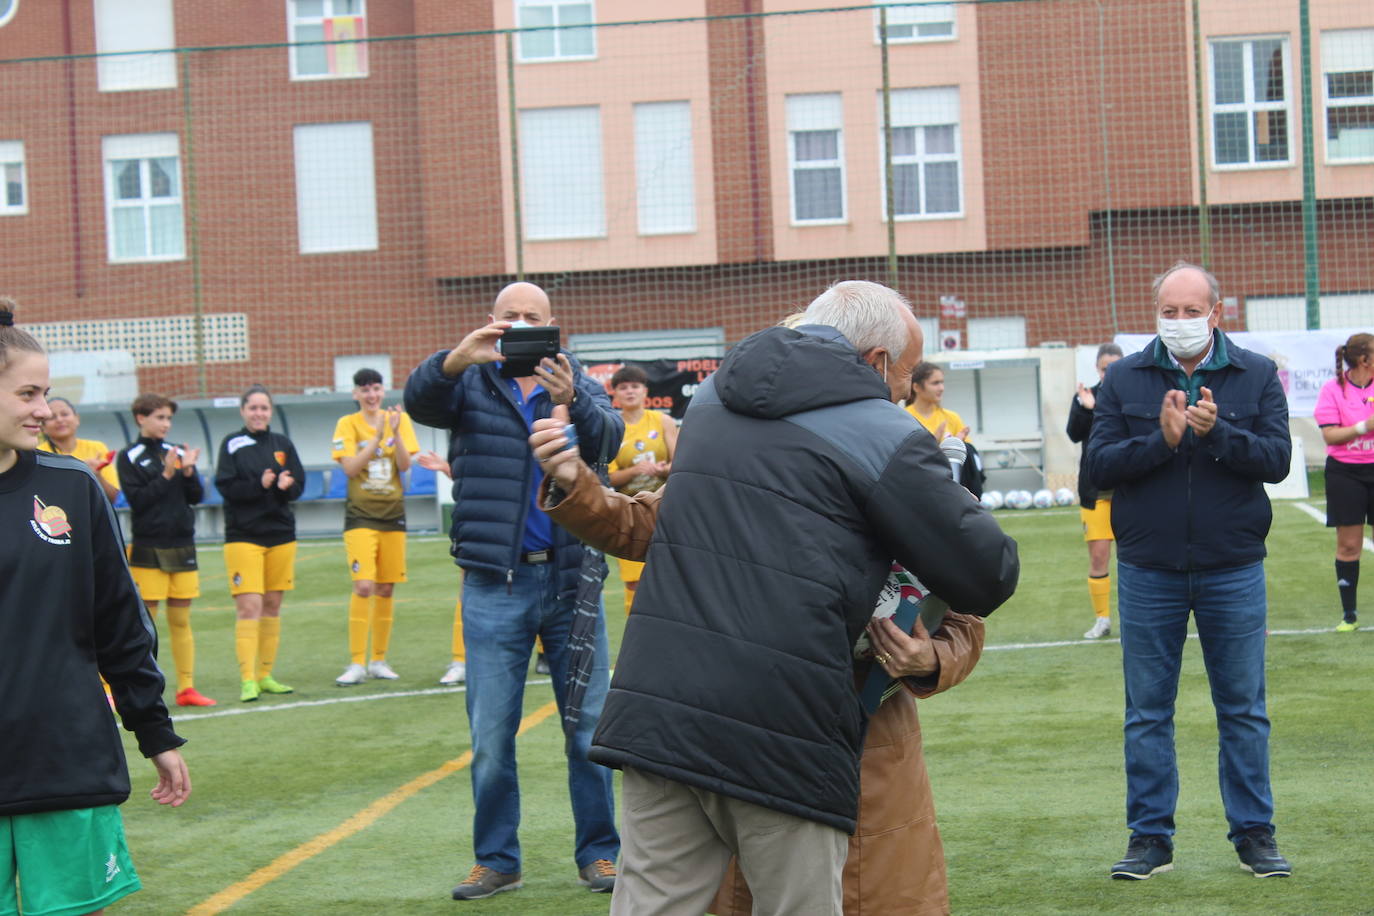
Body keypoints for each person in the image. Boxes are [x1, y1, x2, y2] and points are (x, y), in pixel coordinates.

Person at [532, 280, 1019, 915]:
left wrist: (932, 659)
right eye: (902, 377)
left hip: (670, 714)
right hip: (791, 726)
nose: (904, 391)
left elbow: (956, 606)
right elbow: (989, 572)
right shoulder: (881, 436)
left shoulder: (711, 402)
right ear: (871, 364)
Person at [403, 281, 623, 901]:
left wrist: (571, 398)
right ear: (491, 322)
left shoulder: (578, 379)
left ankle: (601, 855)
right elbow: (419, 401)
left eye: (532, 317)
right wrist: (457, 356)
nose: (519, 325)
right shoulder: (469, 378)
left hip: (572, 577)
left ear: (554, 327)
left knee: (588, 729)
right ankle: (498, 859)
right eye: (509, 317)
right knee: (491, 737)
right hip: (494, 582)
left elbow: (610, 441)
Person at [1088, 261, 1293, 880]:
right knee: (1147, 710)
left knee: (1244, 709)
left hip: (1233, 567)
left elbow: (1278, 461)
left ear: (1217, 311)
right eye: (1168, 311)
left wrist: (1218, 432)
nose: (1179, 322)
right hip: (1149, 569)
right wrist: (1164, 439)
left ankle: (1255, 834)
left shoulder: (1256, 375)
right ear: (1156, 314)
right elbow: (1098, 467)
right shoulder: (1124, 377)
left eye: (1190, 310)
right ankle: (1150, 838)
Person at [0, 299, 191, 916]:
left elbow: (119, 622)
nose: (44, 410)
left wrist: (154, 730)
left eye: (47, 393)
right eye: (28, 393)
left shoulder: (72, 486)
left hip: (65, 756)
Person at [116, 393, 215, 707]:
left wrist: (188, 471)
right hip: (149, 546)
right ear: (140, 418)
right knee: (147, 623)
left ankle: (186, 688)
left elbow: (196, 496)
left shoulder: (176, 452)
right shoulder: (129, 456)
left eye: (168, 418)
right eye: (159, 417)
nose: (165, 424)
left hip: (182, 545)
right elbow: (139, 500)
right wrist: (168, 473)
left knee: (182, 621)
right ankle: (143, 687)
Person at [331, 368, 421, 686]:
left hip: (393, 517)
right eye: (365, 390)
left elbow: (405, 465)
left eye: (376, 389)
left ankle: (379, 660)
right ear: (356, 394)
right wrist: (376, 435)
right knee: (364, 586)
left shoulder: (401, 420)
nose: (371, 395)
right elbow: (351, 468)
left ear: (384, 391)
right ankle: (356, 662)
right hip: (360, 517)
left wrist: (393, 432)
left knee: (386, 588)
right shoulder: (347, 424)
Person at [215, 384, 305, 703]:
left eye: (264, 408)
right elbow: (226, 487)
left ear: (271, 411)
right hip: (244, 536)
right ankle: (247, 679)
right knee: (249, 606)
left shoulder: (282, 443)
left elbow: (298, 486)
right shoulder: (232, 444)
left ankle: (266, 674)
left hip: (281, 535)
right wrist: (260, 483)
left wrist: (283, 486)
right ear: (243, 411)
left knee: (272, 605)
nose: (258, 413)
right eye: (253, 408)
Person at [1313, 332, 1374, 633]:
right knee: (1349, 545)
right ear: (1364, 359)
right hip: (1345, 472)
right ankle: (1349, 615)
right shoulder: (1332, 389)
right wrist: (1365, 426)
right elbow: (1330, 435)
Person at [606, 364, 677, 614]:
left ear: (645, 391)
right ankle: (635, 635)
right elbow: (608, 478)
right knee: (636, 583)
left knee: (671, 578)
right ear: (614, 393)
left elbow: (682, 463)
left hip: (665, 510)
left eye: (635, 386)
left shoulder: (662, 421)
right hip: (629, 514)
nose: (629, 392)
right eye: (623, 388)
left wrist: (662, 469)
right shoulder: (611, 426)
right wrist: (635, 471)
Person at [1067, 343, 1124, 639]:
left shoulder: (1134, 395)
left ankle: (1136, 616)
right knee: (1100, 557)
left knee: (1137, 558)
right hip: (1096, 492)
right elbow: (1074, 433)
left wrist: (1097, 408)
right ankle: (1102, 619)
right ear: (1098, 370)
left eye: (1115, 367)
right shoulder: (1085, 396)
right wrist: (1083, 407)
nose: (1110, 373)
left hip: (1132, 491)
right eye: (1105, 368)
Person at [414, 448, 469, 686]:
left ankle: (544, 654)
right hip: (484, 524)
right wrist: (448, 469)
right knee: (467, 589)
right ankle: (460, 661)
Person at [39, 396, 121, 502]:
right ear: (43, 427)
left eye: (64, 414)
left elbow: (113, 498)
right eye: (52, 417)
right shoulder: (38, 454)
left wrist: (96, 476)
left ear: (77, 419)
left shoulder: (97, 448)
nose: (59, 420)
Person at [905, 362, 969, 441]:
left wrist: (957, 446)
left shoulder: (952, 418)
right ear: (916, 387)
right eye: (935, 383)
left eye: (942, 382)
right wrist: (934, 443)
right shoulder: (905, 417)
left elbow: (969, 451)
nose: (941, 388)